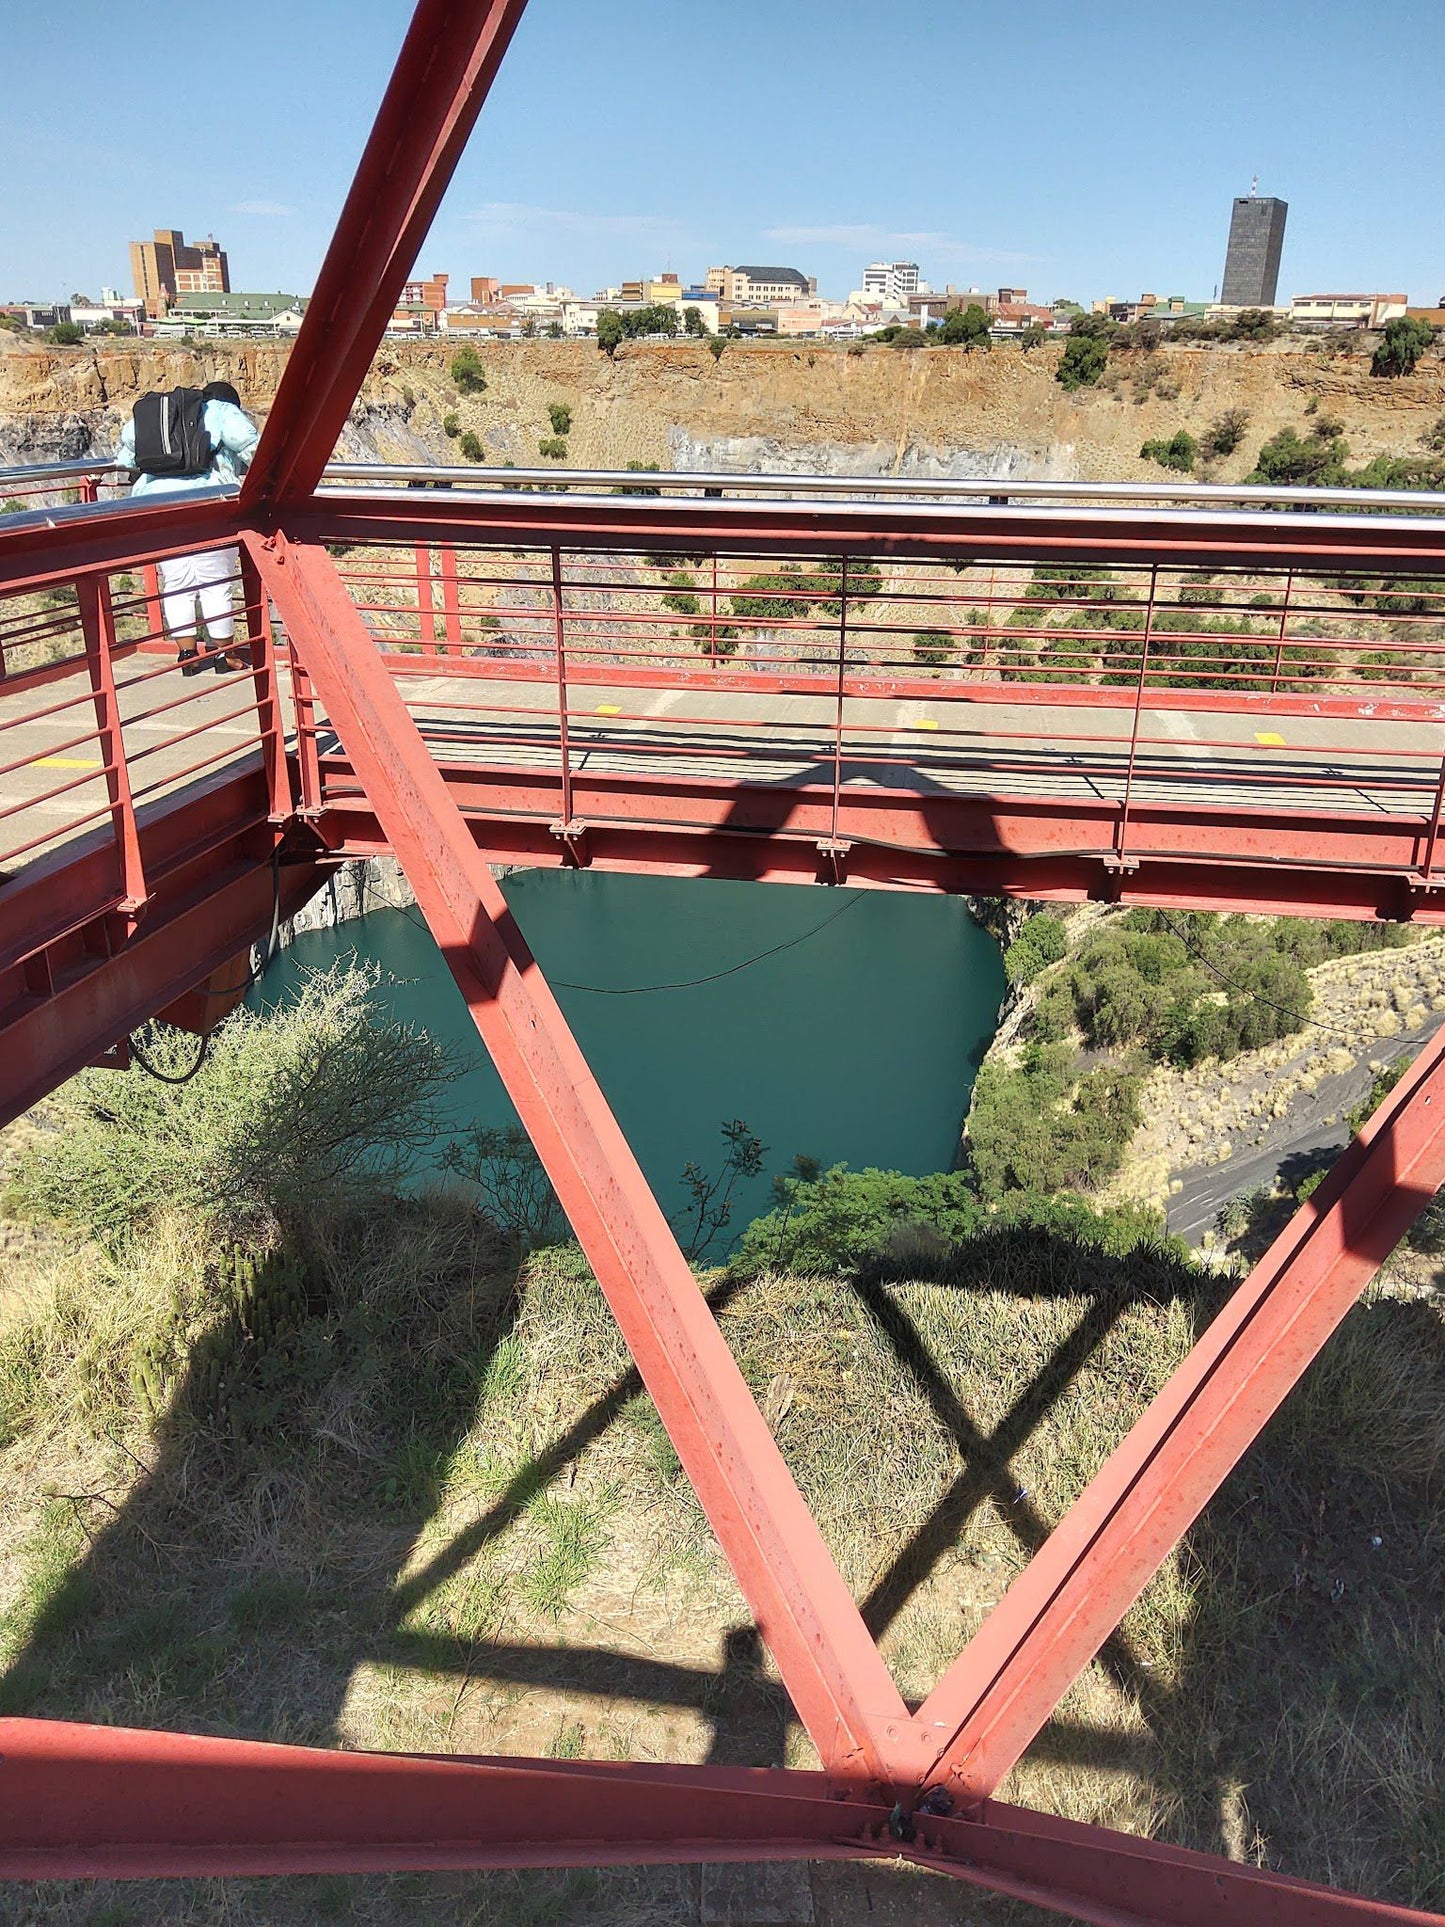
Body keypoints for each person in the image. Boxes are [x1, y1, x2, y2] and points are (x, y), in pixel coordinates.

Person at [115, 380, 260, 675]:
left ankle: (187, 655)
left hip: (160, 507)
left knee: (176, 580)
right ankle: (225, 656)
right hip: (208, 504)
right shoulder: (223, 411)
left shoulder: (162, 415)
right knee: (215, 581)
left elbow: (126, 458)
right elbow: (252, 448)